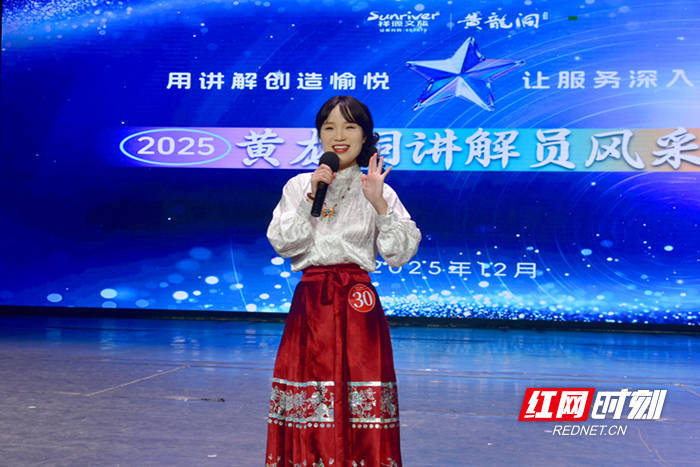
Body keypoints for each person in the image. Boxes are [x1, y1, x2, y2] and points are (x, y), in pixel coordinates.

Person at [265, 96, 421, 467]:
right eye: (329, 127)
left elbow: (399, 252)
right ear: (319, 135)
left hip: (357, 302)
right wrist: (310, 197)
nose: (339, 136)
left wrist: (379, 205)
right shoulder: (299, 185)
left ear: (365, 136)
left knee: (361, 388)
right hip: (312, 300)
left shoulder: (377, 188)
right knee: (309, 388)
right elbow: (284, 243)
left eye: (349, 127)